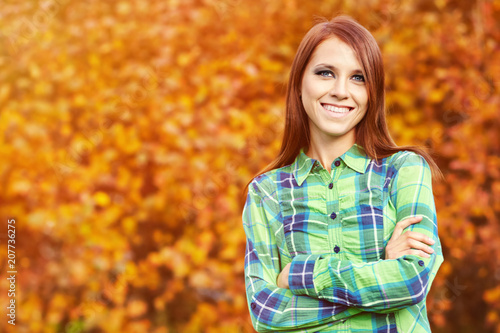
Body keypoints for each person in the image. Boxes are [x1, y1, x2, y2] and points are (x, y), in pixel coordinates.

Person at [242, 15, 444, 333]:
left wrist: (299, 274)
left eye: (358, 78)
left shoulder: (404, 170)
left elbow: (412, 281)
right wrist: (380, 274)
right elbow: (266, 312)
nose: (340, 91)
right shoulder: (266, 192)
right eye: (325, 73)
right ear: (299, 83)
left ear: (372, 93)